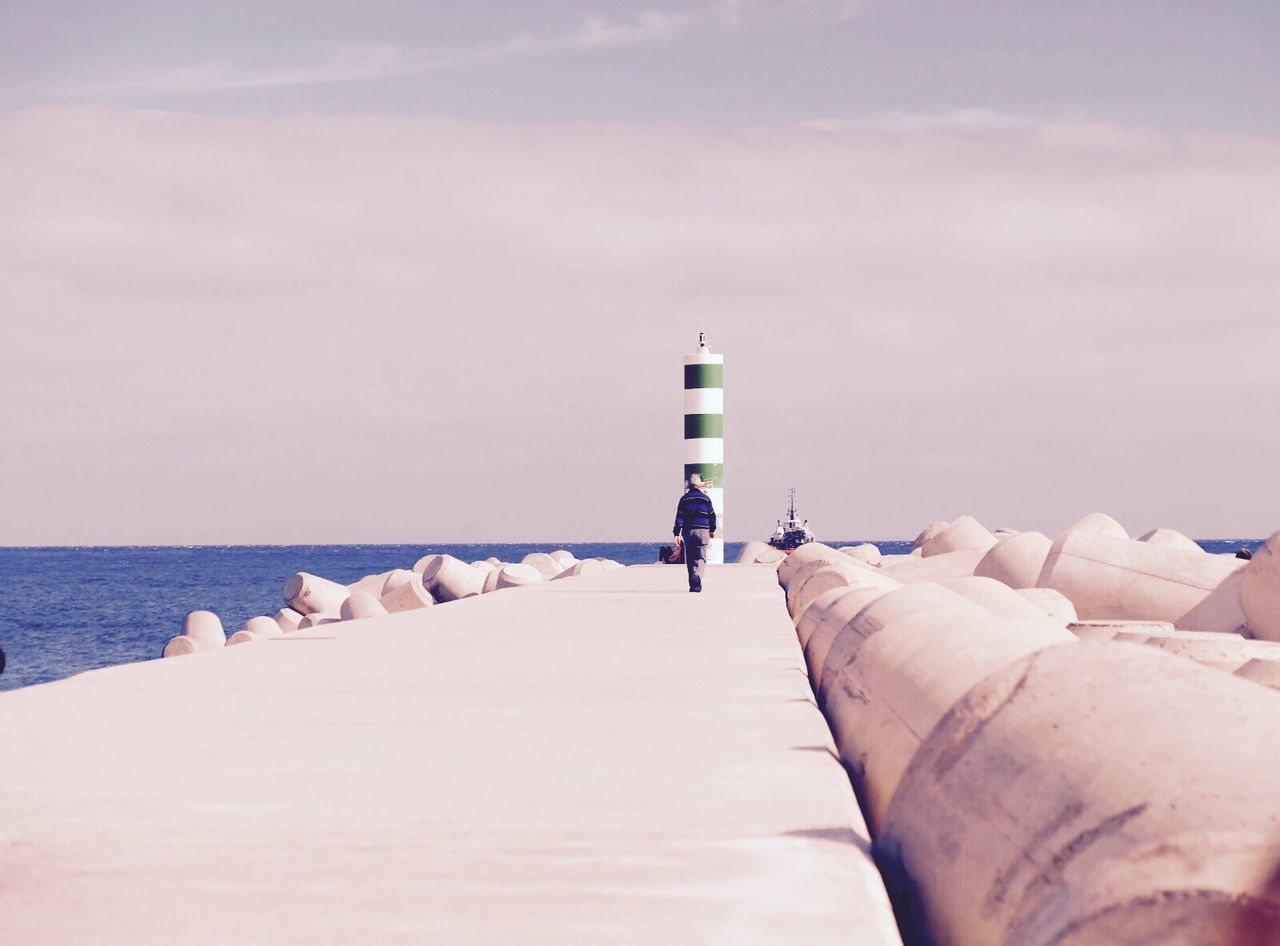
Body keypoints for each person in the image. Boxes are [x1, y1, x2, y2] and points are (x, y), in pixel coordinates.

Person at [673, 473, 717, 592]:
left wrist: (676, 533)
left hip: (688, 531)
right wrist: (712, 530)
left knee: (690, 557)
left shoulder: (684, 499)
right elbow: (712, 516)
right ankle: (697, 576)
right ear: (699, 485)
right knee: (701, 557)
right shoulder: (706, 499)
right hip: (702, 531)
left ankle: (693, 584)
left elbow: (679, 517)